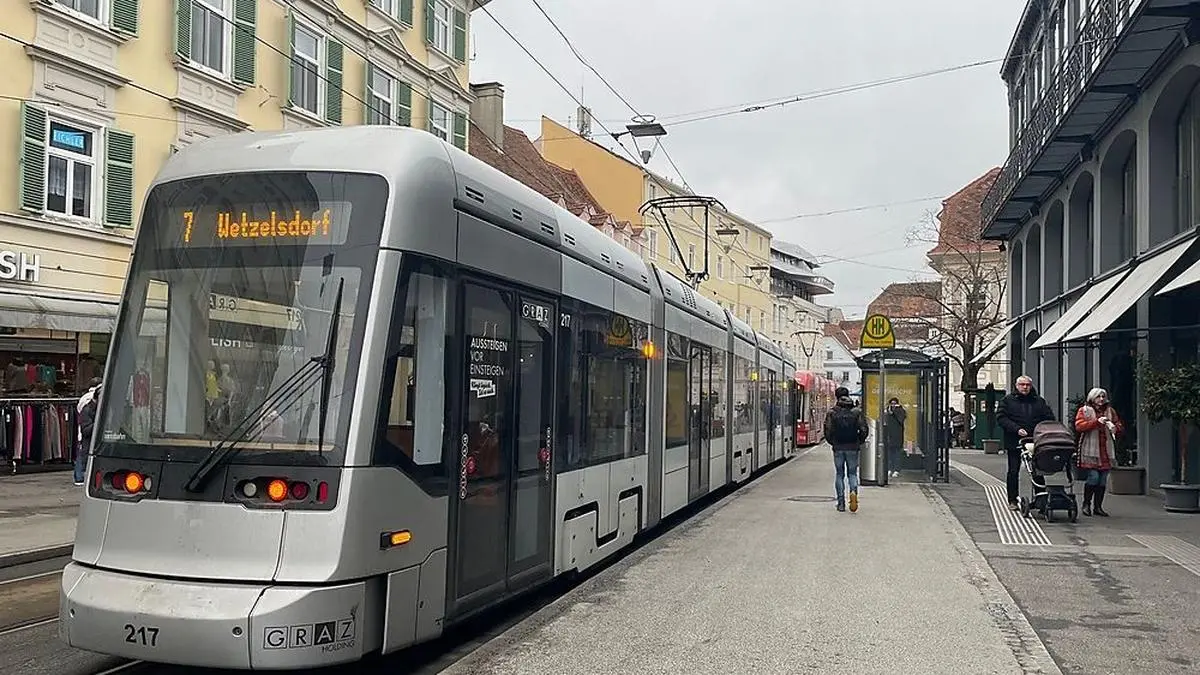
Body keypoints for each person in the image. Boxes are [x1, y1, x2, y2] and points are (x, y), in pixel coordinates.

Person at [996, 375, 1056, 511]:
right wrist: (1016, 429)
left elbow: (1049, 417)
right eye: (1022, 384)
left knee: (1037, 470)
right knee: (1013, 471)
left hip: (1036, 441)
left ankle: (1041, 499)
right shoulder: (1007, 401)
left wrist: (1041, 430)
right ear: (1016, 386)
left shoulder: (1039, 401)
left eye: (1027, 385)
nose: (1025, 387)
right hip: (1014, 440)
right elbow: (1001, 418)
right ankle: (1012, 499)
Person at [1074, 387, 1123, 517]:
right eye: (1098, 396)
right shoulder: (1084, 410)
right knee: (1093, 477)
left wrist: (1116, 428)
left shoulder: (1110, 411)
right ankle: (1086, 504)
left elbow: (1119, 425)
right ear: (1092, 398)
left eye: (1103, 396)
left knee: (1102, 480)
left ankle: (1098, 506)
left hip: (1106, 449)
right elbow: (1079, 426)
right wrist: (1096, 422)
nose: (1101, 399)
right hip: (1090, 449)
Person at [823, 386, 869, 513]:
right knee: (852, 473)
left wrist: (833, 442)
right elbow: (864, 429)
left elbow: (827, 430)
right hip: (853, 446)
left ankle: (841, 503)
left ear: (836, 397)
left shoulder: (832, 412)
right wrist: (859, 441)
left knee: (839, 474)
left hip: (838, 447)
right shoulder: (856, 412)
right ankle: (853, 492)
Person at [74, 377, 102, 487]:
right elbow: (86, 428)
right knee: (83, 454)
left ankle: (79, 477)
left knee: (81, 454)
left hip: (85, 435)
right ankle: (80, 476)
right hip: (88, 437)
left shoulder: (83, 398)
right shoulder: (89, 408)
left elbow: (78, 409)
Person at [883, 397, 906, 478]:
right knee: (889, 454)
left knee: (897, 454)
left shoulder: (900, 411)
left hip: (897, 436)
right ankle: (890, 468)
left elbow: (901, 420)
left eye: (894, 404)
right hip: (889, 435)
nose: (893, 405)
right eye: (891, 404)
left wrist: (894, 412)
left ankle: (896, 469)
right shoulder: (887, 412)